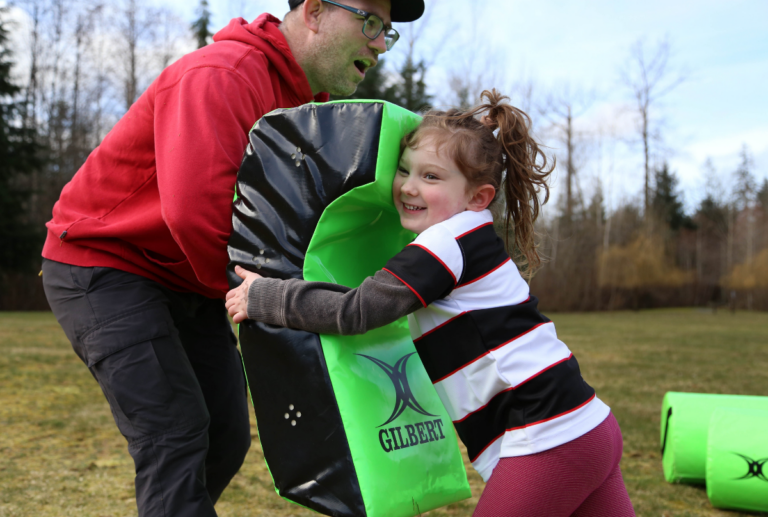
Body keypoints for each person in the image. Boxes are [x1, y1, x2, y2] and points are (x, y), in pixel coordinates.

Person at [40, 1, 424, 515]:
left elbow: (296, 224)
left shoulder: (310, 105)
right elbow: (199, 214)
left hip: (190, 279)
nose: (379, 44)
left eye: (388, 32)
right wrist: (281, 305)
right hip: (107, 264)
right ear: (313, 11)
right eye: (370, 22)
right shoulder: (221, 76)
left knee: (224, 436)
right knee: (173, 434)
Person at [226, 90, 636, 516]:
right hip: (590, 427)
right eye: (404, 170)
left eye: (431, 177)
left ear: (479, 197)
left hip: (546, 436)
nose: (408, 187)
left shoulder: (444, 244)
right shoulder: (473, 238)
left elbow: (357, 311)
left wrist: (266, 296)